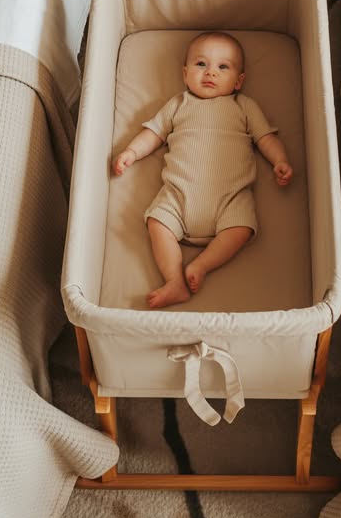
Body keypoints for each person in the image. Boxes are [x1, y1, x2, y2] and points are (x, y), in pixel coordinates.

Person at [113, 30, 293, 309]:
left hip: (229, 198)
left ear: (239, 81)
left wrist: (279, 161)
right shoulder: (178, 104)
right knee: (156, 221)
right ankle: (174, 280)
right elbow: (153, 133)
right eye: (201, 64)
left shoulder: (243, 106)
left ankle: (202, 265)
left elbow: (265, 137)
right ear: (185, 74)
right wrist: (131, 152)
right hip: (178, 195)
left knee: (243, 228)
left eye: (223, 67)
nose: (211, 73)